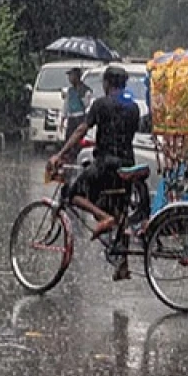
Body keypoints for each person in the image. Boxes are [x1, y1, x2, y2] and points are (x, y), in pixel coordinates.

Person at [49, 65, 141, 280]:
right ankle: (123, 265)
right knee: (121, 214)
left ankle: (102, 217)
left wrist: (61, 154)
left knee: (73, 193)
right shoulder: (134, 108)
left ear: (107, 83)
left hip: (105, 164)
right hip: (127, 165)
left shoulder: (100, 105)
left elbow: (82, 129)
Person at [60, 67, 93, 158]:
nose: (70, 78)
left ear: (77, 77)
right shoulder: (70, 91)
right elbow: (66, 105)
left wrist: (81, 94)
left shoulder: (86, 90)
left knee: (78, 139)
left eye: (71, 76)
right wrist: (63, 119)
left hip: (80, 118)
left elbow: (87, 105)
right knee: (69, 139)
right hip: (71, 118)